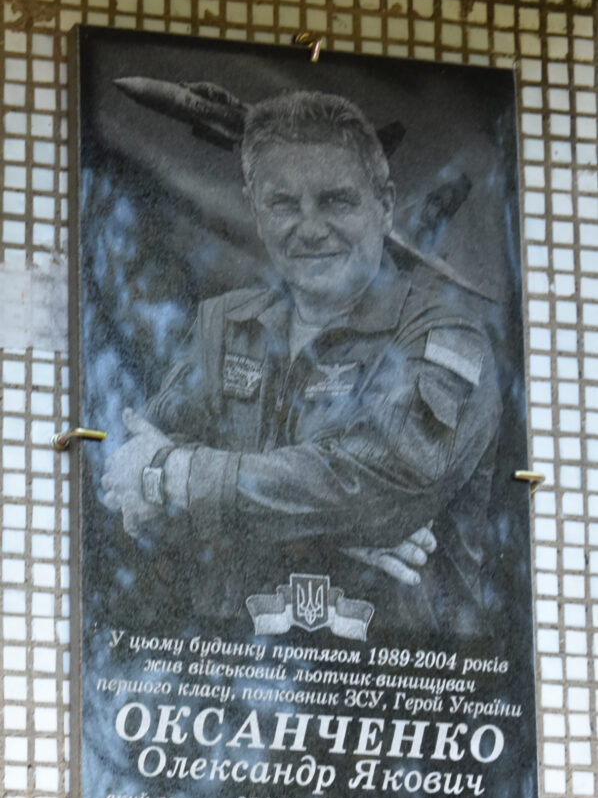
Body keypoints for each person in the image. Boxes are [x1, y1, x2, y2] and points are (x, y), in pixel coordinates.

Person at [101, 91, 502, 636]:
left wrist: (182, 477)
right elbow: (131, 488)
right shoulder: (223, 325)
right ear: (254, 208)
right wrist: (331, 524)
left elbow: (381, 483)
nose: (310, 228)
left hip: (398, 671)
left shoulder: (443, 337)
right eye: (284, 204)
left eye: (336, 201)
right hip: (227, 668)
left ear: (385, 205)